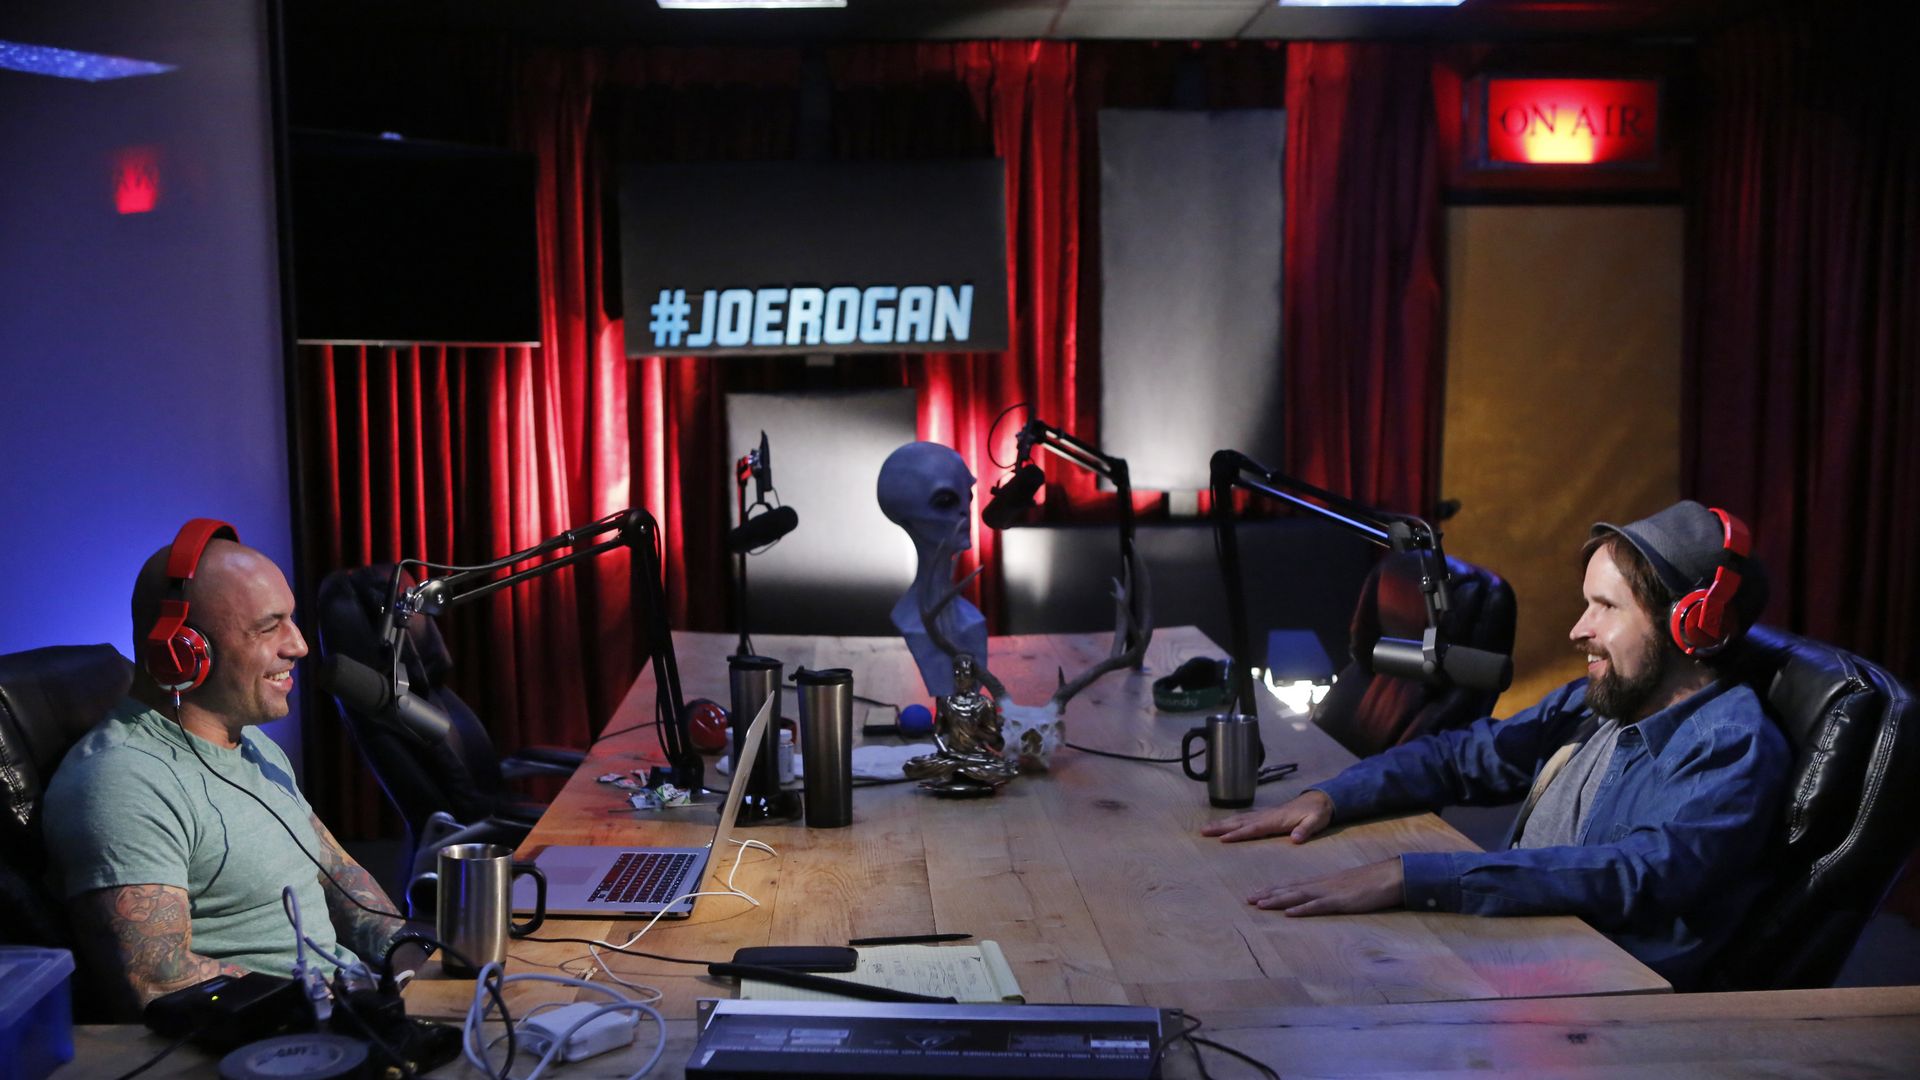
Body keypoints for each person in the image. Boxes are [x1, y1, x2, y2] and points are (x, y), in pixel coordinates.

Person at [1203, 500, 1790, 988]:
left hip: (1601, 1006)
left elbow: (1633, 875)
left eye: (1606, 607)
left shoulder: (1730, 746)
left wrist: (1415, 879)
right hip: (1518, 950)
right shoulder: (1603, 699)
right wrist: (1331, 797)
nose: (1578, 630)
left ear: (1692, 624)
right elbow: (1462, 757)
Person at [43, 520, 412, 1018]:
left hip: (359, 1010)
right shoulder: (124, 783)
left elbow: (337, 874)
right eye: (268, 627)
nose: (299, 645)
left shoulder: (254, 745)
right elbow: (158, 982)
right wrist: (344, 1006)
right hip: (283, 1039)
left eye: (292, 620)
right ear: (181, 652)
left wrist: (416, 958)